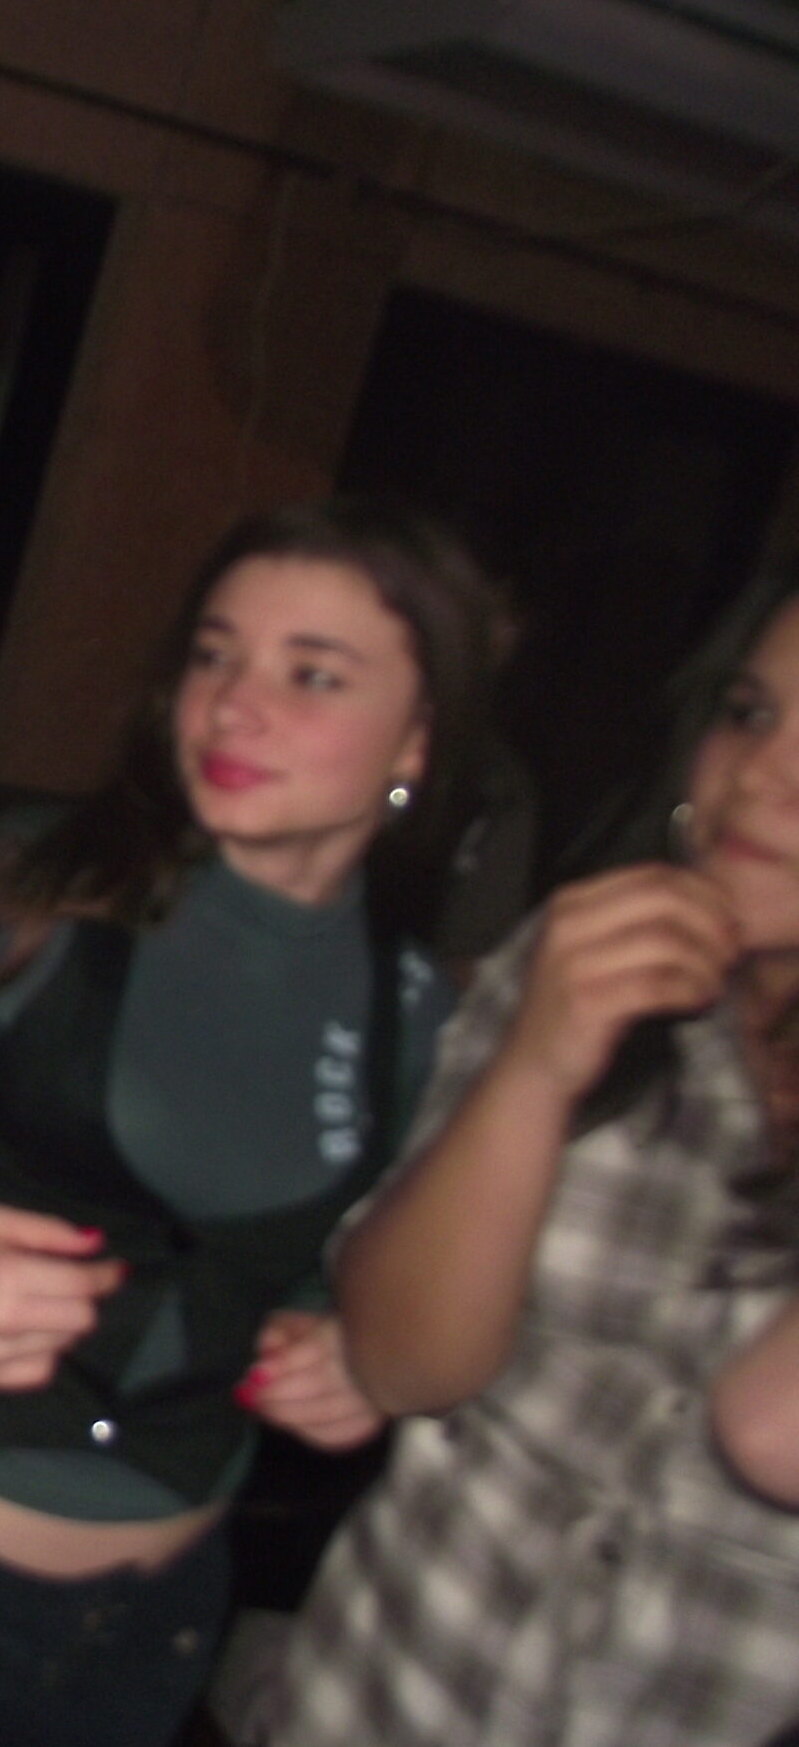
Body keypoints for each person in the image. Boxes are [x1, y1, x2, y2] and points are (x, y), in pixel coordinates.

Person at [0, 500, 505, 1747]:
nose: (234, 705)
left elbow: (331, 1264)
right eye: (214, 655)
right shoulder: (22, 888)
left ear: (418, 737)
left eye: (311, 675)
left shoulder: (411, 1004)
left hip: (150, 1636)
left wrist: (342, 1351)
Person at [266, 561, 799, 1747]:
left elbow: (774, 1431)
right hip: (387, 1689)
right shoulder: (590, 958)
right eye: (749, 714)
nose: (762, 775)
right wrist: (533, 1068)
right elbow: (401, 1362)